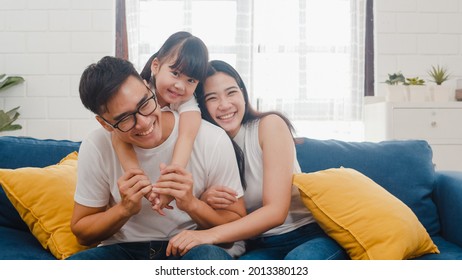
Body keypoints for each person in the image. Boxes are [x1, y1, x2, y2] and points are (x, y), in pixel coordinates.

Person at [165, 60, 348, 260]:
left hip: (306, 234)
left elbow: (276, 212)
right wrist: (206, 202)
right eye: (212, 98)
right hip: (259, 245)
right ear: (202, 106)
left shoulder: (269, 126)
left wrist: (207, 235)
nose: (225, 105)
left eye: (231, 92)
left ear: (243, 94)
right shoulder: (208, 145)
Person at [67, 56, 246, 260]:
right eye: (125, 119)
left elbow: (235, 227)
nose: (144, 123)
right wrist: (124, 209)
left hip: (190, 247)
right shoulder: (96, 145)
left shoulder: (211, 138)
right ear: (106, 124)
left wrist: (190, 203)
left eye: (144, 103)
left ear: (148, 87)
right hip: (124, 251)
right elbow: (82, 233)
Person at [111, 31, 205, 215]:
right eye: (175, 73)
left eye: (191, 80)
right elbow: (118, 136)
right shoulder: (141, 90)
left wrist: (172, 182)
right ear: (155, 66)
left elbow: (187, 136)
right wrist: (142, 186)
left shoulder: (187, 102)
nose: (180, 85)